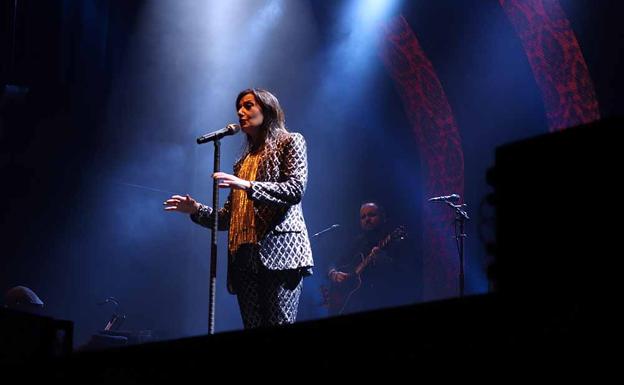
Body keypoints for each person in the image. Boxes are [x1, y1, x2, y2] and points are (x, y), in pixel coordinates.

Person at [164, 88, 313, 329]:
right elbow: (226, 219)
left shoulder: (291, 141)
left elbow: (295, 190)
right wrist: (195, 210)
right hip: (243, 257)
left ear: (266, 109)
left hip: (279, 254)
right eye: (238, 108)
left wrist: (247, 185)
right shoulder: (242, 162)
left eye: (247, 105)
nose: (240, 113)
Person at [326, 202, 409, 315]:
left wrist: (383, 260)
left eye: (371, 215)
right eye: (363, 217)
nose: (367, 219)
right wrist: (333, 274)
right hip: (355, 303)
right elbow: (334, 261)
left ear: (383, 217)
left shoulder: (393, 239)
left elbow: (404, 273)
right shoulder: (358, 242)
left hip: (383, 299)